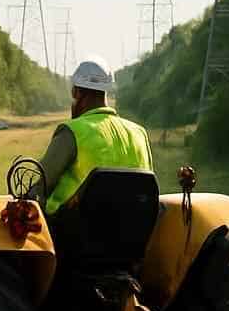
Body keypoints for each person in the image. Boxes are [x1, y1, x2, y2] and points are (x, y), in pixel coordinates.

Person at [39, 56, 153, 214]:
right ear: (106, 91)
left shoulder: (71, 131)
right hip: (134, 232)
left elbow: (40, 186)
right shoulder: (139, 133)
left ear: (77, 92)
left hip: (71, 233)